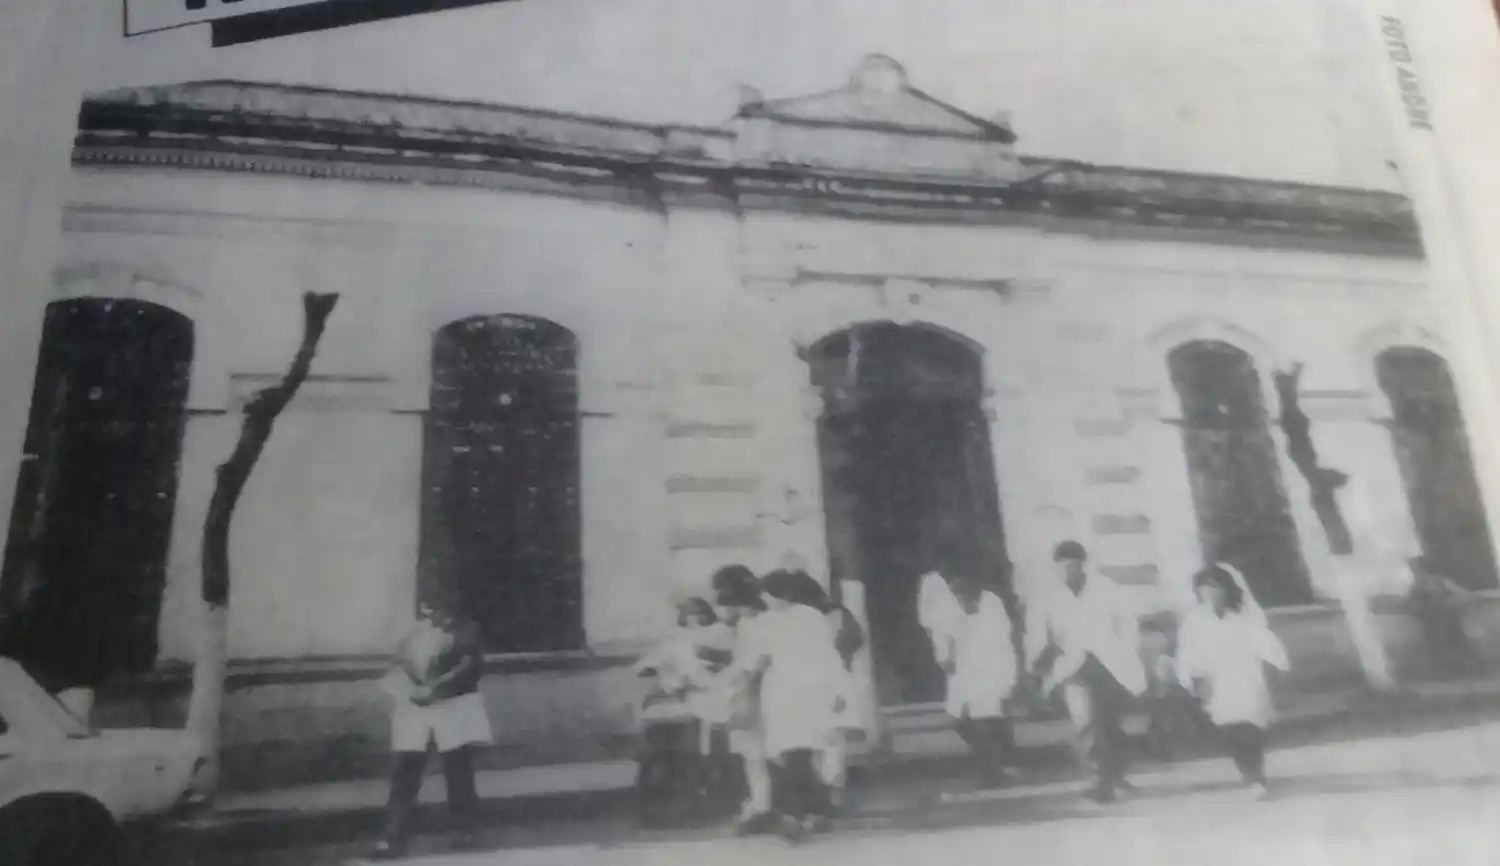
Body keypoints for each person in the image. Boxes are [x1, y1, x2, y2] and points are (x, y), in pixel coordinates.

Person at [726, 569, 846, 843]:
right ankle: (818, 805)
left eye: (766, 594)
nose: (764, 599)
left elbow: (826, 654)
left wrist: (837, 690)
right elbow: (760, 659)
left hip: (800, 689)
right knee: (789, 753)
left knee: (796, 752)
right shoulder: (777, 620)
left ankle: (796, 816)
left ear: (779, 594)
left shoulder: (805, 618)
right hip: (785, 691)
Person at [371, 596, 492, 860]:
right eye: (430, 607)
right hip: (414, 708)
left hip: (451, 706)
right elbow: (398, 663)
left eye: (442, 607)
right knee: (405, 771)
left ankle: (465, 828)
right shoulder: (411, 632)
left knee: (457, 767)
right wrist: (411, 688)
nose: (436, 614)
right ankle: (393, 837)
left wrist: (437, 689)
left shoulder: (466, 630)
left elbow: (471, 666)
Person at [1026, 540, 1147, 803]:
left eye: (1073, 565)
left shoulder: (1105, 588)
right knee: (1085, 721)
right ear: (1055, 568)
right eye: (1063, 566)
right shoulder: (1048, 597)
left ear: (1083, 565)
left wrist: (1125, 651)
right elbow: (1038, 634)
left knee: (1109, 722)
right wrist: (1039, 666)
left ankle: (1114, 774)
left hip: (1108, 664)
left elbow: (1128, 624)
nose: (1068, 571)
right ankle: (1100, 779)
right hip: (1073, 665)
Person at [1175, 563, 1291, 799]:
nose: (1210, 594)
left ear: (1227, 589)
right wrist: (1189, 677)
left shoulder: (1243, 616)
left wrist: (1279, 662)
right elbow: (1186, 651)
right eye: (1204, 589)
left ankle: (1256, 777)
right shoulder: (1195, 620)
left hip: (1246, 676)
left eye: (1215, 588)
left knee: (1250, 726)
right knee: (1232, 730)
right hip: (1216, 682)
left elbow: (1263, 639)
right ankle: (1247, 771)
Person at [633, 596, 736, 826]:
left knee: (702, 755)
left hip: (707, 701)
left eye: (699, 613)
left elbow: (725, 666)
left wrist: (709, 663)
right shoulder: (677, 640)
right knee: (664, 758)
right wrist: (655, 670)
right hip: (677, 705)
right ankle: (658, 808)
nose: (695, 619)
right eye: (689, 614)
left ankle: (700, 803)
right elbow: (644, 667)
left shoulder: (721, 633)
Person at [711, 564, 774, 833]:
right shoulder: (758, 621)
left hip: (757, 692)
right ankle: (762, 804)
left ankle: (763, 807)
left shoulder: (752, 624)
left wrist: (738, 684)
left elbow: (757, 662)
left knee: (755, 754)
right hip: (757, 688)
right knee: (757, 754)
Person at [943, 570, 1019, 789]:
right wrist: (948, 656)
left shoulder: (991, 605)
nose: (960, 600)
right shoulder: (953, 609)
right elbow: (949, 637)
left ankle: (992, 772)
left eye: (963, 595)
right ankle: (992, 767)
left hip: (990, 670)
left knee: (984, 721)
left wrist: (1006, 679)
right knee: (960, 722)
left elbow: (1002, 642)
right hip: (964, 672)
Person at [1405, 555, 1480, 675]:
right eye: (1413, 569)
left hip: (1448, 620)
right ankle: (1444, 671)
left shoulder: (1440, 582)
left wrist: (1451, 604)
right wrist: (1418, 608)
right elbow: (1411, 605)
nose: (1415, 572)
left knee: (1458, 645)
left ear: (1424, 568)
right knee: (1436, 648)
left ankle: (1470, 670)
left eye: (1416, 568)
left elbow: (1464, 595)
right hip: (1430, 624)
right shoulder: (1415, 587)